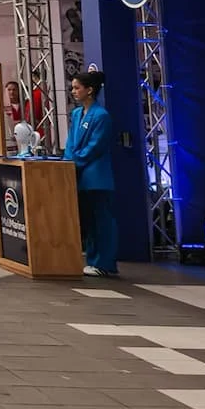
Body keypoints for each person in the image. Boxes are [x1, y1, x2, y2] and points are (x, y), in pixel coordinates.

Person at [67, 69, 118, 277]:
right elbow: (71, 142)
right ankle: (92, 258)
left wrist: (76, 161)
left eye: (77, 88)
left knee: (102, 222)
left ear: (89, 90)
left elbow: (95, 146)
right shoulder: (77, 114)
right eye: (72, 88)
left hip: (96, 176)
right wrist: (68, 161)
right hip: (79, 174)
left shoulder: (101, 116)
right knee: (88, 221)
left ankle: (104, 263)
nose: (73, 92)